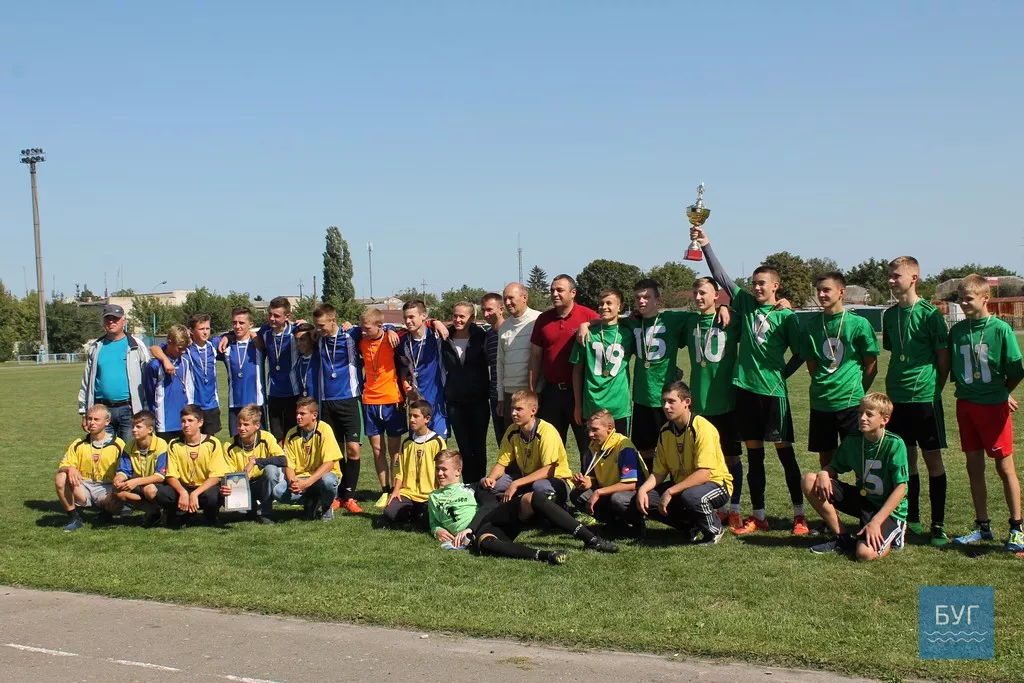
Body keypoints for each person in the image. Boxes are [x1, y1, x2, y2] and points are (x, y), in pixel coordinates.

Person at [695, 227, 807, 536]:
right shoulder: (744, 304)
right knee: (755, 457)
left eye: (762, 284)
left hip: (773, 393)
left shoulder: (786, 316)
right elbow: (722, 277)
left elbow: (801, 352)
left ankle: (799, 515)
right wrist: (706, 245)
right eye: (754, 283)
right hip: (745, 391)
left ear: (775, 286)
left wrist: (782, 375)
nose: (757, 288)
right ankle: (759, 515)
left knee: (786, 456)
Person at [482, 390, 617, 552]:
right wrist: (491, 478)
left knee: (541, 488)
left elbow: (549, 471)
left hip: (556, 482)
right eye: (512, 408)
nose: (513, 413)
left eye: (519, 409)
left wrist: (516, 483)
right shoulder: (512, 431)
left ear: (533, 411)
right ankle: (518, 512)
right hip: (528, 480)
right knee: (494, 485)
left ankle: (554, 515)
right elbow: (501, 463)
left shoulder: (546, 431)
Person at [946, 275, 1024, 552]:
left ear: (985, 298)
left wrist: (1003, 393)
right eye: (960, 299)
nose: (963, 303)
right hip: (966, 405)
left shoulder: (1001, 329)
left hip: (993, 408)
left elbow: (1017, 370)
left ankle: (1016, 528)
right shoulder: (957, 331)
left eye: (968, 299)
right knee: (974, 467)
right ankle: (982, 526)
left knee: (1004, 467)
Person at [883, 255, 950, 545]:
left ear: (914, 278)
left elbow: (944, 360)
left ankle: (938, 524)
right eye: (889, 275)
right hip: (897, 398)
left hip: (924, 398)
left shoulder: (930, 314)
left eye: (896, 275)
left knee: (932, 459)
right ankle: (912, 518)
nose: (890, 280)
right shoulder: (889, 315)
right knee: (905, 460)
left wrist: (934, 390)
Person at [801, 393, 908, 560]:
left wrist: (877, 521)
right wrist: (824, 472)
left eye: (869, 414)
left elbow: (901, 488)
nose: (862, 418)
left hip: (888, 509)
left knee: (864, 553)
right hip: (864, 501)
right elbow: (834, 466)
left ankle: (894, 534)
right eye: (860, 413)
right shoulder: (854, 440)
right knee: (809, 480)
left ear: (884, 420)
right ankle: (842, 538)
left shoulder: (894, 444)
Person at [628, 381, 733, 544]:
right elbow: (659, 473)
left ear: (687, 402)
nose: (666, 406)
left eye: (671, 401)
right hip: (683, 486)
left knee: (691, 496)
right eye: (664, 401)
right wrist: (642, 490)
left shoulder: (702, 428)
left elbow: (704, 474)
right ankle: (689, 526)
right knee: (647, 498)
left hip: (716, 484)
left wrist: (670, 491)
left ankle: (714, 530)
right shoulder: (665, 431)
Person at [679, 277, 744, 530]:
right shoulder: (689, 321)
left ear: (716, 295)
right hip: (699, 406)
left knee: (731, 458)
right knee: (702, 461)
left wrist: (727, 308)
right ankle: (715, 508)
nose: (698, 297)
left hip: (727, 402)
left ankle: (735, 509)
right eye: (695, 292)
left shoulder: (731, 319)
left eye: (703, 293)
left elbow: (756, 314)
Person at [429, 450, 569, 564]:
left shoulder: (471, 488)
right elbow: (433, 522)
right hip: (479, 536)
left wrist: (470, 528)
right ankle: (548, 555)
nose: (439, 473)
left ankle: (582, 534)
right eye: (437, 469)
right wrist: (437, 530)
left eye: (443, 469)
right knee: (487, 543)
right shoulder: (433, 497)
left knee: (531, 498)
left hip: (487, 523)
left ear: (458, 471)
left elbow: (489, 506)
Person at [800, 273, 879, 469]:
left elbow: (871, 365)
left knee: (859, 459)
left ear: (841, 292)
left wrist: (856, 390)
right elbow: (812, 366)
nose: (821, 294)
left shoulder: (859, 324)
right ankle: (831, 491)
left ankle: (860, 491)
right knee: (826, 462)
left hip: (850, 403)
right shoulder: (811, 326)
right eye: (819, 290)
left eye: (826, 290)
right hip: (821, 402)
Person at [529, 275, 598, 456]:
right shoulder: (543, 319)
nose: (554, 294)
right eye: (552, 290)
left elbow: (610, 322)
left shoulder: (588, 315)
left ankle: (587, 475)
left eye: (560, 290)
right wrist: (532, 392)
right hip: (551, 393)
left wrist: (587, 324)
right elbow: (535, 357)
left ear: (573, 293)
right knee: (551, 447)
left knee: (587, 445)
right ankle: (556, 476)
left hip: (581, 392)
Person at [311, 303, 364, 514]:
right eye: (316, 325)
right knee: (335, 451)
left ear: (333, 320)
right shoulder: (318, 338)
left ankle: (349, 496)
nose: (319, 329)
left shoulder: (351, 334)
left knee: (353, 449)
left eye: (322, 325)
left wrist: (435, 322)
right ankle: (337, 495)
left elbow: (378, 325)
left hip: (350, 399)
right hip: (327, 402)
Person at [78, 304, 151, 442]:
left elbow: (148, 378)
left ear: (124, 321)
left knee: (129, 451)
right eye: (108, 319)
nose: (111, 322)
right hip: (101, 410)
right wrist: (84, 412)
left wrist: (146, 409)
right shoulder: (96, 347)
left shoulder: (136, 345)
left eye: (115, 318)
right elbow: (86, 381)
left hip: (129, 409)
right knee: (102, 450)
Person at [356, 308, 406, 508]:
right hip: (369, 401)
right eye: (362, 327)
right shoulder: (361, 341)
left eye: (367, 328)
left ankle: (396, 488)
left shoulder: (392, 339)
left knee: (394, 450)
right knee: (378, 450)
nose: (364, 331)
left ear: (379, 325)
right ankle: (384, 490)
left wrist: (390, 329)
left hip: (392, 401)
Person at [265, 396, 343, 521]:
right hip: (301, 478)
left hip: (321, 477)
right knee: (278, 491)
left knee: (329, 481)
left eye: (302, 414)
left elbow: (329, 464)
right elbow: (289, 464)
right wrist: (293, 482)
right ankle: (311, 501)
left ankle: (327, 506)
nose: (298, 417)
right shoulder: (291, 434)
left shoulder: (324, 429)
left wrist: (307, 483)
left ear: (314, 415)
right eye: (297, 413)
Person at [571, 288, 634, 437]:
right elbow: (577, 371)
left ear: (620, 306)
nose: (604, 307)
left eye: (609, 303)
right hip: (592, 405)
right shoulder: (586, 334)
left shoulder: (628, 333)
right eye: (601, 303)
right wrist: (578, 405)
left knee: (620, 449)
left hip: (619, 407)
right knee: (592, 449)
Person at [441, 301, 491, 483]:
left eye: (462, 316)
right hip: (455, 402)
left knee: (479, 447)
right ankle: (469, 485)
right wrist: (434, 322)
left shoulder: (482, 336)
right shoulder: (445, 337)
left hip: (479, 401)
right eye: (455, 316)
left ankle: (480, 485)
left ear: (472, 318)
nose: (457, 320)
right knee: (464, 448)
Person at [569, 410, 645, 529]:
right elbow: (592, 479)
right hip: (609, 491)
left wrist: (599, 492)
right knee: (577, 494)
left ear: (609, 428)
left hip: (632, 493)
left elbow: (630, 484)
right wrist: (583, 483)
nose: (590, 434)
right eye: (589, 430)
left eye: (595, 429)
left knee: (618, 499)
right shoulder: (593, 447)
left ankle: (636, 524)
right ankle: (614, 523)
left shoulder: (624, 447)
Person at [55, 405, 126, 532]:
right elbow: (62, 466)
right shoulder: (78, 443)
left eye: (96, 419)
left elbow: (127, 471)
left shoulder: (118, 444)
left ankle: (106, 512)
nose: (92, 423)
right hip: (83, 486)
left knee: (118, 497)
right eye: (89, 419)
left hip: (107, 487)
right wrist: (69, 469)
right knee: (61, 477)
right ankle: (74, 518)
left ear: (107, 422)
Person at [154, 406, 226, 528]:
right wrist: (182, 492)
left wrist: (195, 493)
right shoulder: (174, 444)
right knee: (162, 492)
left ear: (200, 422)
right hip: (184, 487)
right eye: (183, 421)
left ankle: (210, 515)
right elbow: (171, 475)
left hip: (204, 488)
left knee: (214, 495)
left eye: (190, 421)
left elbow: (216, 476)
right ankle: (181, 514)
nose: (186, 425)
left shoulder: (213, 443)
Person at [153, 313, 223, 436]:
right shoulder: (186, 348)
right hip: (194, 404)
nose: (205, 332)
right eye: (201, 329)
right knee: (191, 440)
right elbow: (154, 348)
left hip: (211, 404)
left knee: (209, 441)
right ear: (191, 331)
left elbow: (234, 335)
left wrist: (251, 334)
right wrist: (165, 360)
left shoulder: (213, 345)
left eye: (207, 328)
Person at [221, 404, 287, 524]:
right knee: (241, 513)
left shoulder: (266, 438)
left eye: (246, 425)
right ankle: (249, 508)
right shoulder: (228, 445)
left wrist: (256, 462)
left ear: (257, 425)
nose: (241, 428)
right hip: (241, 484)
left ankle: (265, 513)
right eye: (239, 424)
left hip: (262, 483)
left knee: (271, 470)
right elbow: (229, 475)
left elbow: (282, 459)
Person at [383, 400, 446, 525]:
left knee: (430, 518)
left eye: (416, 416)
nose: (411, 420)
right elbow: (399, 471)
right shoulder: (407, 443)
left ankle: (418, 515)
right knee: (389, 512)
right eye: (410, 416)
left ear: (427, 419)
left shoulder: (437, 442)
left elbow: (444, 470)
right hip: (409, 494)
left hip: (430, 494)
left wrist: (440, 493)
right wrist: (396, 491)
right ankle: (415, 514)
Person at [396, 300, 449, 438]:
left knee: (439, 445)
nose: (408, 321)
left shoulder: (436, 335)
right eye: (405, 317)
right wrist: (405, 385)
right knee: (418, 446)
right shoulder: (402, 340)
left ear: (424, 315)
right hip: (416, 401)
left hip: (437, 400)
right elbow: (402, 367)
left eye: (411, 317)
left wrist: (435, 322)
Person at [495, 283, 541, 434]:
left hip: (532, 392)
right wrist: (501, 397)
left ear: (524, 297)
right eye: (505, 299)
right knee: (513, 440)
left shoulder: (538, 320)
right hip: (510, 394)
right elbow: (500, 362)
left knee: (535, 439)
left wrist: (535, 392)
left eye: (511, 298)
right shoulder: (504, 327)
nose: (507, 302)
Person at [112, 410, 168, 528]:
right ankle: (153, 511)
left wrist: (136, 481)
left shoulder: (161, 445)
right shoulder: (129, 446)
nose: (133, 430)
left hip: (159, 485)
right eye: (133, 426)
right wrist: (118, 478)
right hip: (139, 483)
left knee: (149, 490)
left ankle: (165, 510)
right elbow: (124, 471)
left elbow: (160, 476)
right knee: (118, 490)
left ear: (150, 429)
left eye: (138, 427)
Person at [258, 296, 302, 441]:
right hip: (274, 393)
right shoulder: (265, 332)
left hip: (293, 393)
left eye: (276, 316)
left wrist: (306, 322)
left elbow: (317, 331)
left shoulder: (296, 332)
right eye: (270, 314)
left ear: (287, 316)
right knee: (277, 438)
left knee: (293, 438)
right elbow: (244, 332)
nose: (271, 318)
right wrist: (228, 337)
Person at [143, 323, 194, 441]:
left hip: (184, 421)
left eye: (185, 348)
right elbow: (149, 394)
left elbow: (189, 388)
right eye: (180, 348)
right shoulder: (155, 365)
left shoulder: (185, 361)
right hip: (164, 422)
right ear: (169, 343)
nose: (183, 351)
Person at [221, 306, 266, 437]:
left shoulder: (258, 343)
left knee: (260, 442)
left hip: (256, 403)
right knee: (236, 442)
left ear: (250, 324)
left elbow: (278, 326)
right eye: (234, 322)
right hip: (234, 404)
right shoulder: (226, 346)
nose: (237, 326)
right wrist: (226, 336)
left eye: (241, 323)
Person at [481, 292, 506, 447]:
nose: (486, 314)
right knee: (502, 442)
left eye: (490, 309)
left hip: (512, 394)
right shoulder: (488, 335)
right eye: (483, 310)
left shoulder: (511, 330)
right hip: (495, 396)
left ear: (501, 309)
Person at [292, 323, 319, 400]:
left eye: (302, 339)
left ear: (312, 339)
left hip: (321, 403)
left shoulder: (320, 358)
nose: (298, 344)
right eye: (296, 340)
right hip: (305, 403)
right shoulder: (298, 361)